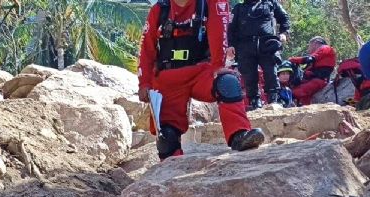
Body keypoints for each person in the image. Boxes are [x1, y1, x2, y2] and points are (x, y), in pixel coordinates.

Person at [138, 0, 266, 160]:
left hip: (202, 73)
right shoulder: (159, 9)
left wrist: (218, 65)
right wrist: (144, 83)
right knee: (166, 139)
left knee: (227, 82)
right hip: (169, 78)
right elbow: (146, 49)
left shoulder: (209, 4)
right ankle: (173, 164)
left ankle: (239, 135)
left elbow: (219, 32)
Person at [227, 0, 290, 109]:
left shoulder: (270, 3)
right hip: (245, 45)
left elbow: (284, 17)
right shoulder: (239, 8)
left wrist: (284, 32)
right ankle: (254, 101)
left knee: (271, 71)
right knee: (249, 75)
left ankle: (273, 99)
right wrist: (231, 45)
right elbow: (231, 28)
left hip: (267, 42)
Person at [288, 36, 337, 105]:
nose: (309, 48)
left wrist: (293, 59)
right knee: (303, 97)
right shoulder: (320, 56)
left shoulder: (325, 48)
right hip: (312, 79)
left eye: (309, 45)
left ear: (315, 42)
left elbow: (310, 59)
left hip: (318, 80)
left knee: (296, 92)